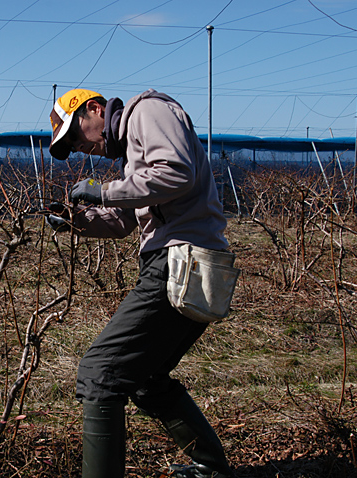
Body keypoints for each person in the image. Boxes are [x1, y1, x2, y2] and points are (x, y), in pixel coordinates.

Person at [47, 88, 234, 478]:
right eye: (72, 145)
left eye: (76, 136)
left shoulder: (147, 112)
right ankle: (211, 469)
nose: (82, 148)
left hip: (180, 260)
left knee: (100, 372)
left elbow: (176, 173)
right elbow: (125, 219)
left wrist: (104, 191)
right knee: (145, 379)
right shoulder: (133, 150)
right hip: (184, 263)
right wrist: (76, 220)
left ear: (94, 109)